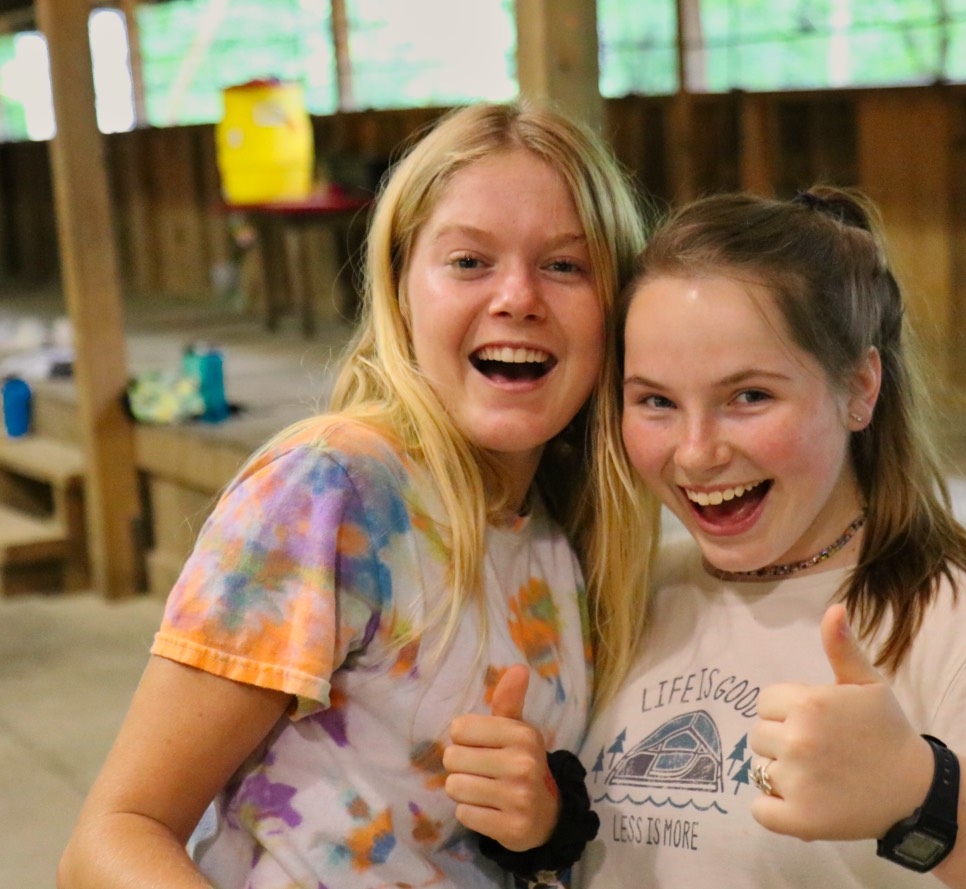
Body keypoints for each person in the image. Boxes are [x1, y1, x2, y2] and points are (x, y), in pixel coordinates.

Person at [57, 101, 652, 889]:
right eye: (470, 262)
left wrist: (538, 816)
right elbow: (111, 839)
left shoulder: (557, 531)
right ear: (402, 289)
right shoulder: (332, 489)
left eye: (565, 265)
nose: (518, 297)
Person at [577, 189, 966, 888]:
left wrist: (922, 793)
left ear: (860, 388)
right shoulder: (637, 586)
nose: (695, 452)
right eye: (655, 400)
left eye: (749, 396)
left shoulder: (957, 626)